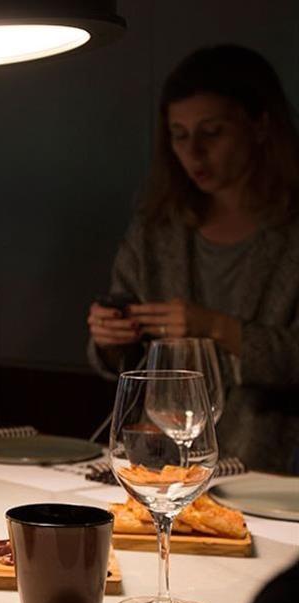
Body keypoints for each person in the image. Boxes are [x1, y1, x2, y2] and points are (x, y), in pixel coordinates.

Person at [87, 45, 299, 474]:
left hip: (271, 470)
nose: (194, 153)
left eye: (212, 132)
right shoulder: (156, 229)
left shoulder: (290, 235)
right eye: (179, 135)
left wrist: (217, 328)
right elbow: (126, 364)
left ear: (260, 125)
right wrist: (112, 339)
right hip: (162, 467)